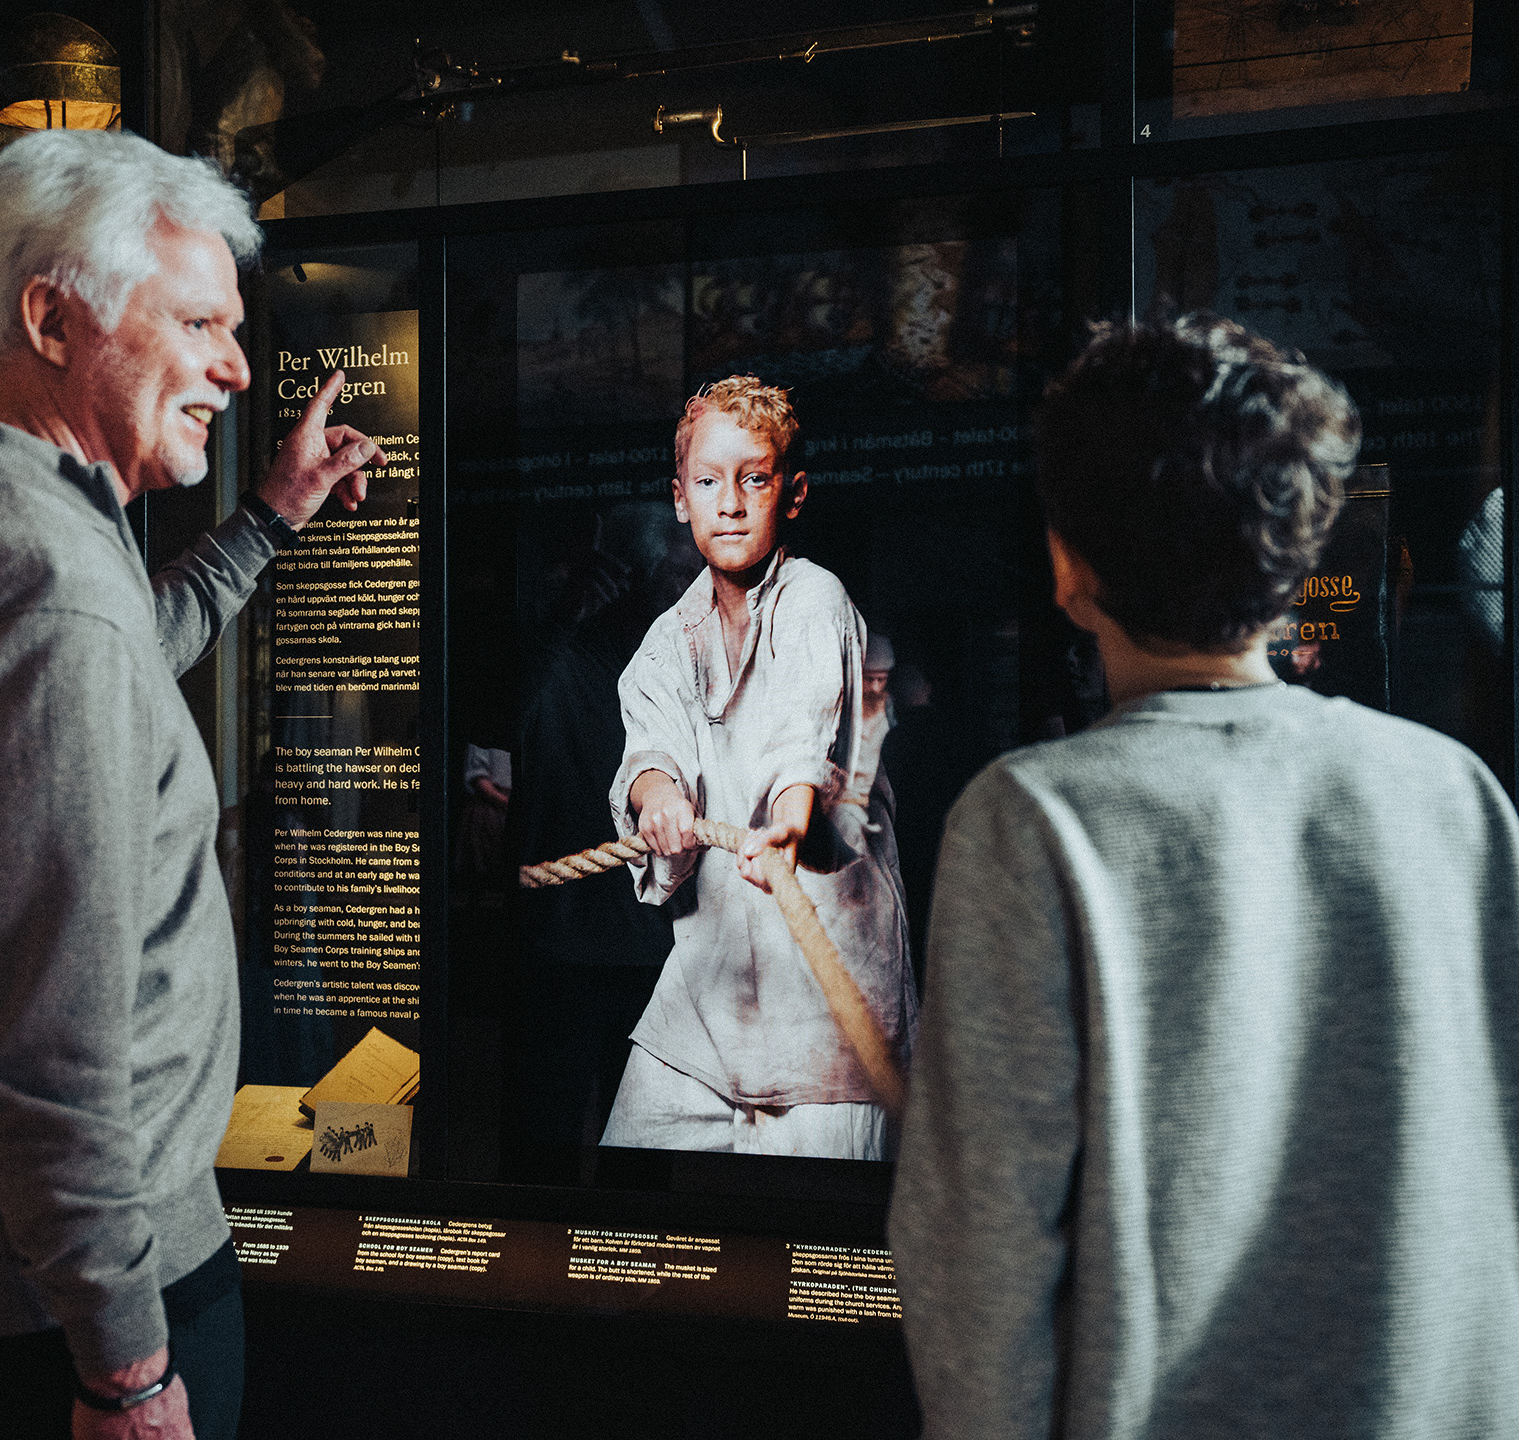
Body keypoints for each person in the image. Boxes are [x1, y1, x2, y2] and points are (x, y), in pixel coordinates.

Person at [0, 129, 384, 1440]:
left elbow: (116, 666)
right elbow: (39, 1044)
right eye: (198, 320)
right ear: (52, 318)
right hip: (72, 1315)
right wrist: (125, 1368)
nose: (238, 367)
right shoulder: (46, 586)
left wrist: (270, 520)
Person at [890, 315, 1519, 1438]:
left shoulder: (1029, 824)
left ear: (1068, 564)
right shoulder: (1455, 797)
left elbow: (981, 1256)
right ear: (1300, 553)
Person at [599, 375, 917, 1160]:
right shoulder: (666, 642)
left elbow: (798, 738)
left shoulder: (815, 599)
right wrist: (658, 797)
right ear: (681, 499)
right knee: (628, 1198)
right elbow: (650, 752)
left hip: (828, 1013)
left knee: (805, 1246)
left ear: (793, 493)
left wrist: (787, 822)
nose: (731, 503)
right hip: (706, 1006)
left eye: (755, 479)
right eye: (708, 482)